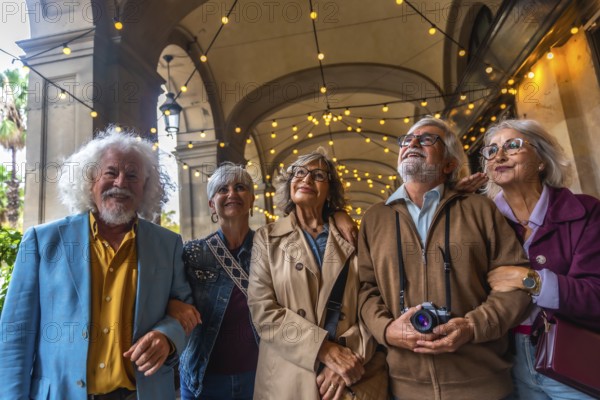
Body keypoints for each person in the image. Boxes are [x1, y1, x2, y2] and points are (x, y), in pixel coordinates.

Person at [0, 127, 194, 400]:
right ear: (90, 180)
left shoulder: (168, 244)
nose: (121, 182)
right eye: (111, 172)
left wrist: (167, 336)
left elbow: (184, 310)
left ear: (146, 187)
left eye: (133, 175)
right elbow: (15, 335)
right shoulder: (42, 242)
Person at [358, 116, 532, 400]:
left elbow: (516, 284)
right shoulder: (374, 218)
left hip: (484, 386)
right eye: (407, 140)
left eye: (427, 139)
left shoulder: (480, 209)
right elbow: (365, 288)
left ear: (449, 164)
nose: (412, 143)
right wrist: (386, 329)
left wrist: (472, 326)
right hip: (404, 389)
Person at [168, 161, 360, 400]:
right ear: (211, 204)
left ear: (252, 200)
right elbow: (169, 294)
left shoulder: (270, 243)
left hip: (258, 373)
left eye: (240, 187)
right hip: (205, 377)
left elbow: (309, 215)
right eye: (222, 190)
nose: (231, 194)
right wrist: (173, 304)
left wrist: (336, 214)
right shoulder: (194, 253)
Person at [247, 149, 382, 400]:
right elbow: (262, 310)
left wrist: (345, 357)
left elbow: (373, 300)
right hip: (287, 380)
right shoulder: (266, 239)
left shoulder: (353, 236)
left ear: (329, 190)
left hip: (348, 378)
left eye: (318, 175)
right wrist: (322, 350)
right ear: (290, 185)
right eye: (299, 173)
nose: (307, 180)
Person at [481, 119, 600, 399]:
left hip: (572, 351)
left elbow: (596, 294)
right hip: (503, 361)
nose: (499, 155)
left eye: (513, 146)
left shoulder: (586, 211)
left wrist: (531, 281)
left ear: (541, 160)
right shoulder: (478, 220)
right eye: (491, 150)